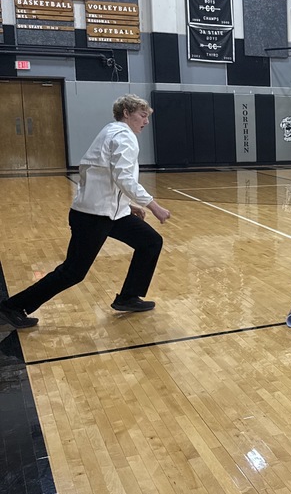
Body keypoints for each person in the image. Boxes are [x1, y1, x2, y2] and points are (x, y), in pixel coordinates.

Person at [0, 95, 170, 330]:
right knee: (73, 272)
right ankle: (12, 307)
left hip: (110, 213)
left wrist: (126, 206)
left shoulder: (109, 133)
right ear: (127, 113)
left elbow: (99, 176)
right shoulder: (123, 137)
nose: (146, 122)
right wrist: (153, 205)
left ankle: (128, 297)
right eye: (143, 116)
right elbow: (124, 178)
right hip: (93, 217)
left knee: (150, 242)